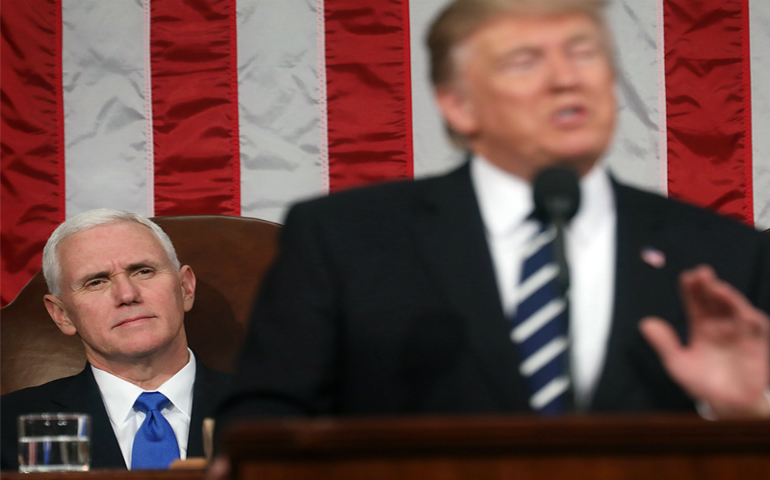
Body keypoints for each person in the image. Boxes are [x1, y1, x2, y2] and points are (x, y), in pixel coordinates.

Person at [215, 0, 770, 428]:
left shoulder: (722, 254)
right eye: (525, 61)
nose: (565, 78)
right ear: (459, 104)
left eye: (583, 53)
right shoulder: (345, 241)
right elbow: (262, 431)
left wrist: (746, 416)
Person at [1, 209, 232, 470]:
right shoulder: (5, 427)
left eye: (143, 271)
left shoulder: (274, 413)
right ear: (62, 315)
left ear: (185, 288)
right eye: (96, 282)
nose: (127, 294)